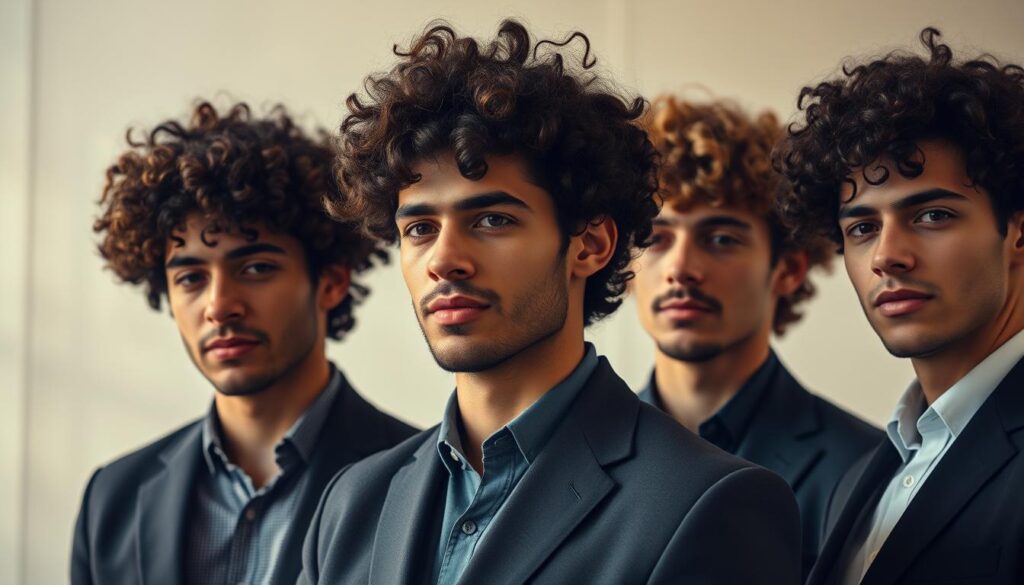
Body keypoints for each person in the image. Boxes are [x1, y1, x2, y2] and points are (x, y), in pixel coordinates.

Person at [298, 20, 801, 585]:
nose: (444, 258)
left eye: (492, 220)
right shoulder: (351, 502)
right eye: (419, 228)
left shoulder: (709, 502)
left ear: (590, 244)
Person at [72, 101, 417, 585]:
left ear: (332, 282)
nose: (219, 305)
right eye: (191, 277)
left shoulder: (422, 483)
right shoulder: (113, 500)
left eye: (256, 268)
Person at [775, 28, 1024, 585]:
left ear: (1017, 234)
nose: (888, 256)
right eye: (862, 227)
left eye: (932, 215)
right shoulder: (863, 477)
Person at [632, 95, 882, 577]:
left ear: (788, 268)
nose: (681, 269)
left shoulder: (865, 468)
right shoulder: (583, 455)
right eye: (657, 239)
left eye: (721, 238)